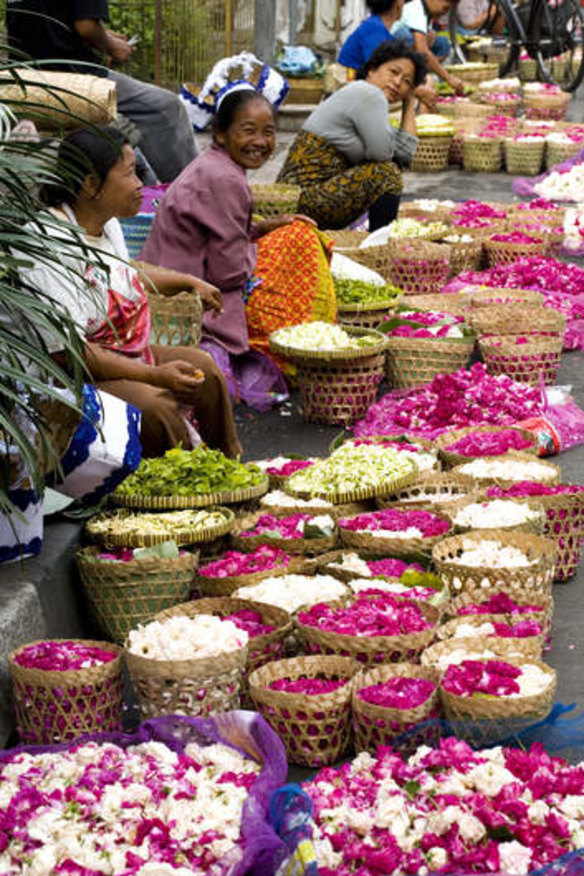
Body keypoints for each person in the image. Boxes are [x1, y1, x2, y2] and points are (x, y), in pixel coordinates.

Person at [18, 126, 242, 459]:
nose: (140, 184)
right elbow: (70, 353)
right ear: (91, 185)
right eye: (129, 174)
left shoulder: (104, 223)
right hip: (65, 378)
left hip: (118, 355)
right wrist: (154, 375)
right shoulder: (47, 244)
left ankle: (229, 464)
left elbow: (123, 270)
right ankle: (172, 492)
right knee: (154, 406)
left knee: (204, 371)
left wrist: (186, 282)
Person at [141, 86, 337, 409]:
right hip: (186, 300)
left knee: (291, 234)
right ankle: (279, 356)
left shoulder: (214, 166)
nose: (260, 142)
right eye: (248, 131)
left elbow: (226, 234)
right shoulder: (226, 179)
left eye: (268, 132)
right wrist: (263, 253)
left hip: (174, 282)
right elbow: (228, 272)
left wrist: (264, 228)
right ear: (220, 133)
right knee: (300, 245)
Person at [6, 0, 197, 182]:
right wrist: (112, 46)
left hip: (22, 77)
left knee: (127, 132)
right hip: (74, 79)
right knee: (167, 107)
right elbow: (86, 27)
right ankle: (188, 197)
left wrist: (103, 36)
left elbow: (50, 24)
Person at [277, 40, 427, 231]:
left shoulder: (362, 94)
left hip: (300, 200)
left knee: (389, 170)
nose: (398, 83)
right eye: (394, 72)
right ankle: (379, 248)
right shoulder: (369, 94)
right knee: (386, 175)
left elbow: (404, 154)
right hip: (302, 202)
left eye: (407, 81)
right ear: (372, 70)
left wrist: (410, 102)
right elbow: (384, 156)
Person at [393, 0, 466, 92]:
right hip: (395, 49)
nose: (444, 13)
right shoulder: (416, 8)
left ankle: (428, 70)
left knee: (443, 43)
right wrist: (448, 78)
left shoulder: (428, 14)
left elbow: (428, 41)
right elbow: (422, 50)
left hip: (417, 51)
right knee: (406, 37)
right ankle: (417, 73)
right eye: (444, 8)